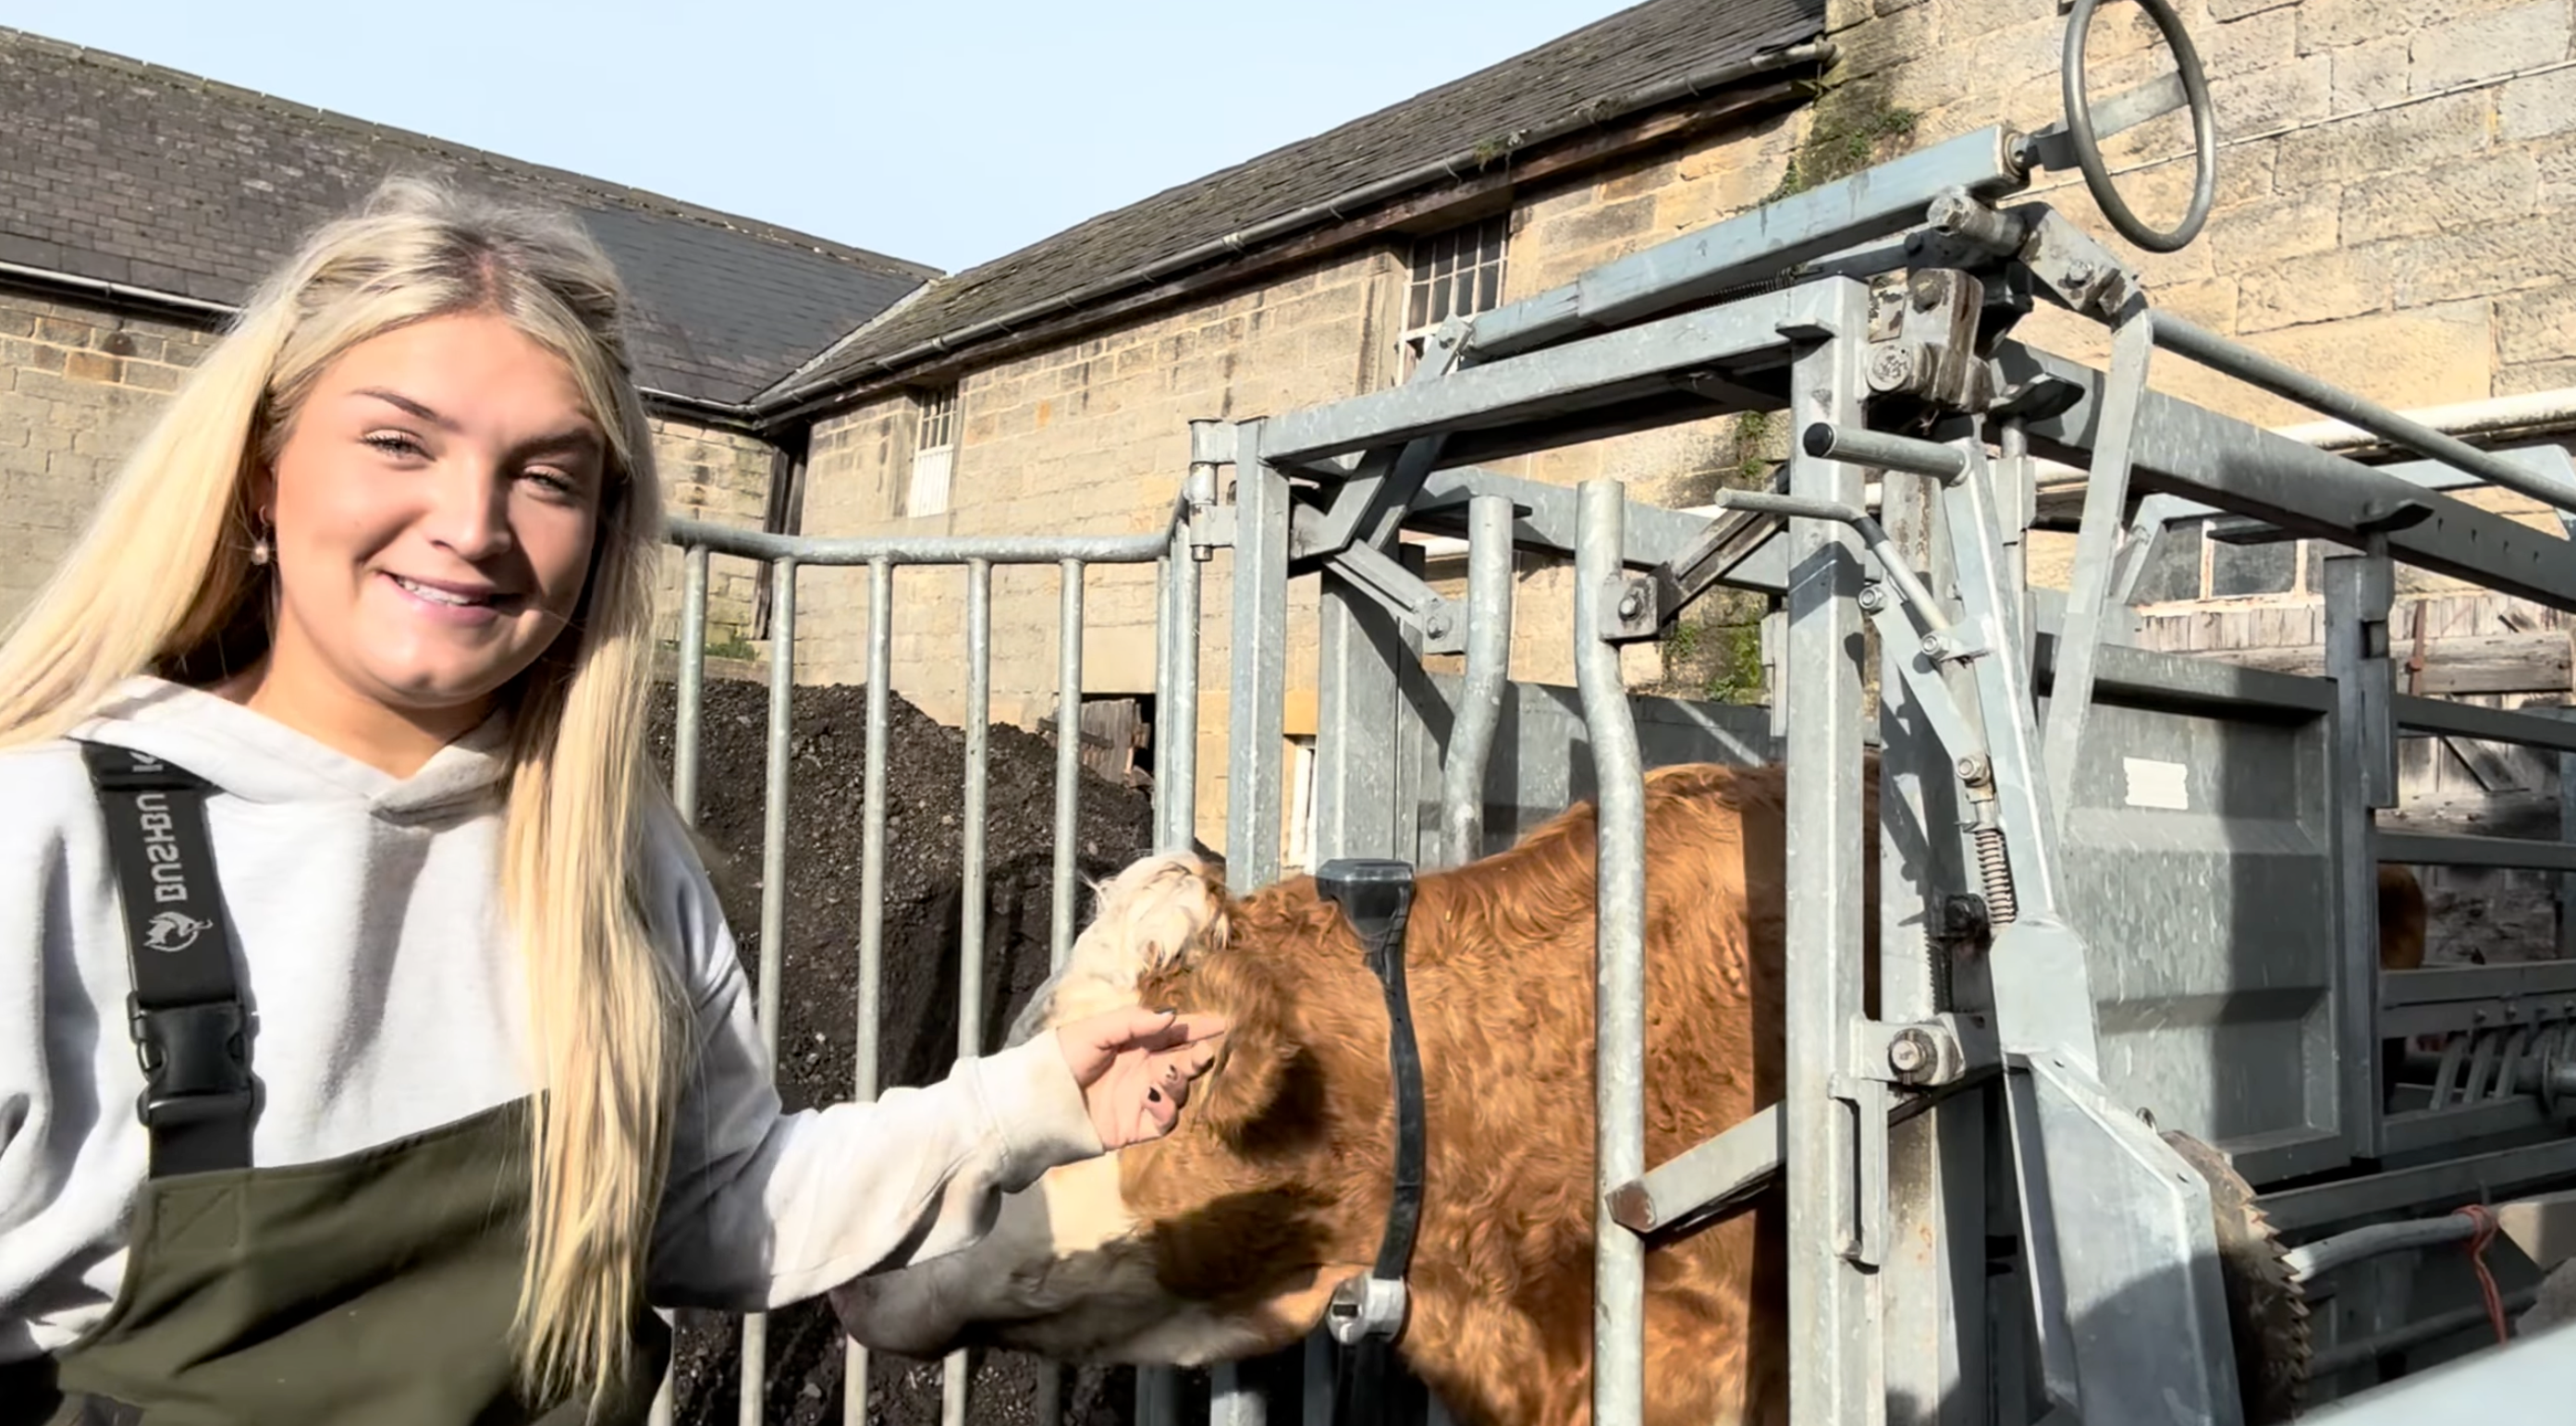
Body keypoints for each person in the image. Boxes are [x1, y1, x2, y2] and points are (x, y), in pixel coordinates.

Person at [0, 177, 1226, 1426]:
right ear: (264, 473)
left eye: (547, 476)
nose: (472, 524)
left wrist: (1035, 1093)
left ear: (601, 530)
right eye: (397, 442)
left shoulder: (610, 856)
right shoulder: (43, 839)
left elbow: (716, 1212)